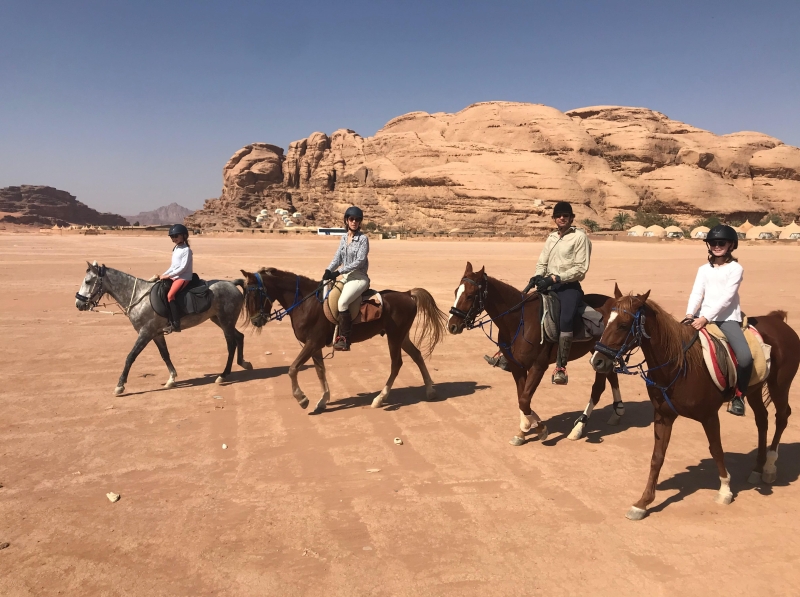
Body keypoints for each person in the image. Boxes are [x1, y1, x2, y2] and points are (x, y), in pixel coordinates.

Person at [485, 201, 591, 385]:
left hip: (568, 287)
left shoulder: (580, 237)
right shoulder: (551, 238)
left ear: (572, 218)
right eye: (558, 215)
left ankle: (560, 367)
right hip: (547, 285)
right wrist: (537, 276)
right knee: (523, 311)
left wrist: (556, 278)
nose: (562, 218)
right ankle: (507, 354)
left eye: (566, 215)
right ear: (554, 219)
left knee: (565, 319)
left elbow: (580, 269)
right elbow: (542, 262)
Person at [685, 224, 751, 416]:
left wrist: (705, 318)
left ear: (731, 245)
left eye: (721, 242)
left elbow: (727, 298)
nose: (717, 246)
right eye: (713, 242)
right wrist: (690, 314)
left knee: (745, 358)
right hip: (701, 317)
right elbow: (697, 293)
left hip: (727, 319)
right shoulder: (703, 269)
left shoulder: (735, 269)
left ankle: (739, 396)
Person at [322, 206, 370, 351]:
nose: (354, 222)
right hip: (346, 277)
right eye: (351, 219)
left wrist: (339, 272)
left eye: (357, 220)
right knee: (326, 292)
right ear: (346, 220)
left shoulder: (363, 239)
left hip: (358, 278)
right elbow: (338, 258)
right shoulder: (344, 238)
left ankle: (344, 339)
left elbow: (359, 261)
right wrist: (328, 270)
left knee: (343, 303)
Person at [152, 224, 193, 334]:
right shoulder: (176, 248)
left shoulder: (186, 250)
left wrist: (169, 276)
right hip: (176, 275)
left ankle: (176, 324)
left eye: (176, 236)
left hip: (184, 277)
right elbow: (173, 266)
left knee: (170, 296)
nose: (174, 238)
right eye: (172, 237)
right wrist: (163, 275)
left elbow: (182, 268)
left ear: (184, 236)